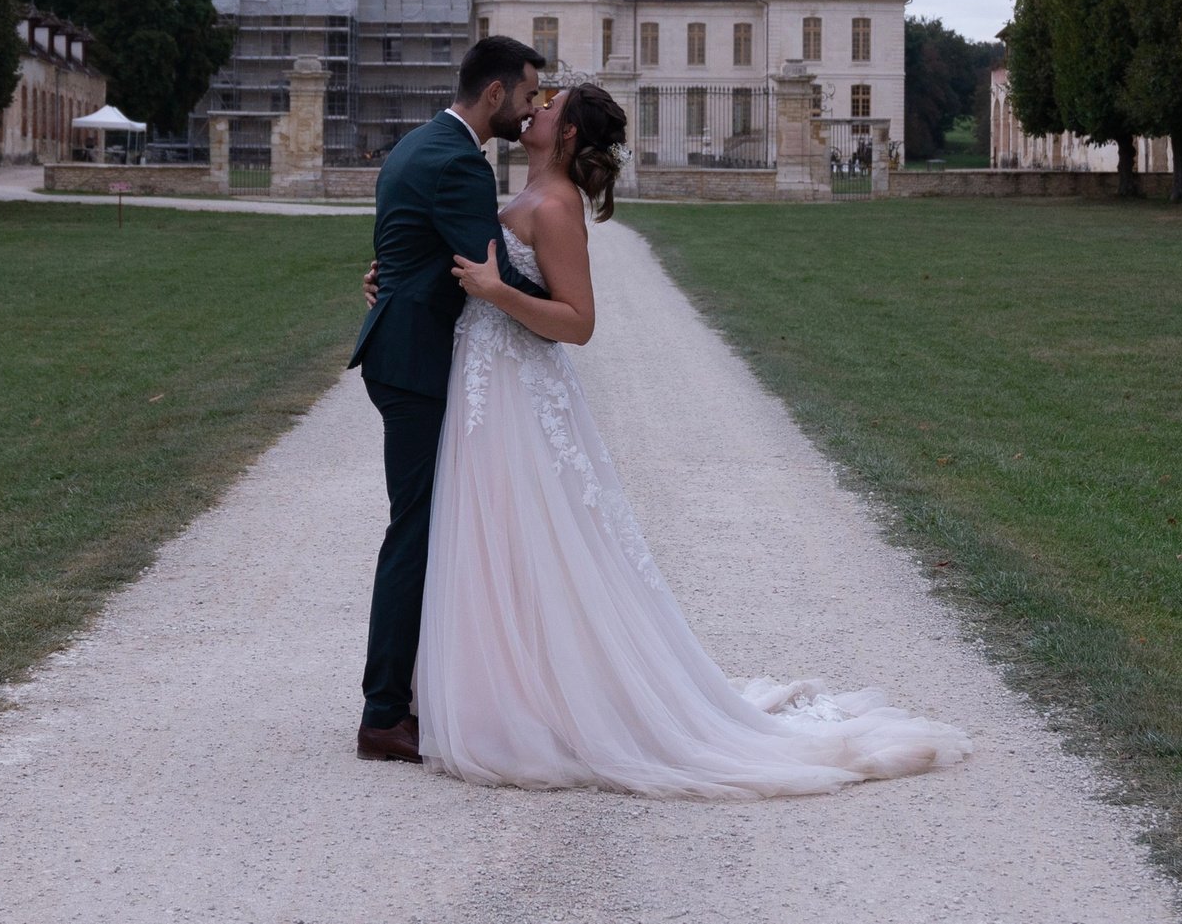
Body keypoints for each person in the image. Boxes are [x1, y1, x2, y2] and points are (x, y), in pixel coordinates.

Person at [406, 81, 972, 798]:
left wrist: (497, 294)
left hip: (524, 393)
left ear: (570, 134)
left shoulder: (554, 207)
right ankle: (509, 687)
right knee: (499, 540)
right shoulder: (515, 194)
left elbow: (578, 321)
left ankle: (548, 698)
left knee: (544, 540)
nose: (533, 110)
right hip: (488, 388)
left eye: (549, 106)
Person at [346, 35, 551, 763]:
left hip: (398, 347)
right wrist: (557, 309)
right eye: (528, 94)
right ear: (494, 94)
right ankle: (383, 713)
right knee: (417, 528)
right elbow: (483, 270)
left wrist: (384, 279)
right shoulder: (461, 161)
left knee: (424, 523)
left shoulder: (416, 145)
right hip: (414, 360)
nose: (532, 109)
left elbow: (406, 251)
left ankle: (413, 694)